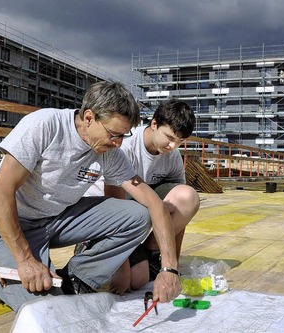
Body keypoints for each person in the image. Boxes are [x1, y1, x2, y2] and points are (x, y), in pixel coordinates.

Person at [0, 81, 181, 312]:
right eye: (113, 134)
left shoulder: (110, 151)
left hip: (56, 218)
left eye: (124, 135)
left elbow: (155, 205)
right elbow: (0, 194)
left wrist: (168, 269)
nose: (118, 143)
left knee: (139, 215)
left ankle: (77, 279)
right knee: (45, 308)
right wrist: (25, 261)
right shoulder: (46, 125)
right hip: (9, 223)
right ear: (90, 117)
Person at [85, 98, 199, 295]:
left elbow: (181, 218)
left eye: (179, 142)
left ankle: (150, 252)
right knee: (136, 279)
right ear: (154, 124)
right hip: (109, 215)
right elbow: (115, 208)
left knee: (188, 197)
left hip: (139, 214)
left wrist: (172, 265)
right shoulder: (125, 146)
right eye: (169, 137)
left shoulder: (171, 155)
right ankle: (88, 249)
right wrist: (121, 267)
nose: (173, 146)